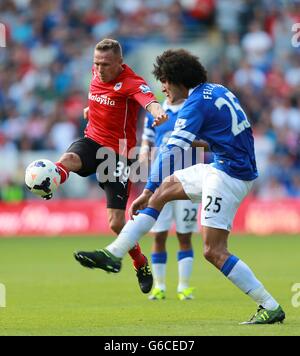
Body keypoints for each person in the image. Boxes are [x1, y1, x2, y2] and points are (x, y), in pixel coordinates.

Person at [75, 49, 285, 325]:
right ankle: (113, 254)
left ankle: (270, 306)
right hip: (225, 165)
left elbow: (171, 151)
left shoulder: (194, 104)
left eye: (164, 80)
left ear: (177, 80)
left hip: (228, 176)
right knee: (165, 191)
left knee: (213, 251)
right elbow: (230, 133)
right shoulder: (217, 90)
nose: (161, 87)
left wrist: (147, 188)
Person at [53, 39, 167, 294]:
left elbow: (148, 100)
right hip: (92, 140)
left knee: (116, 222)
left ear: (119, 63)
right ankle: (48, 183)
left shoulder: (131, 82)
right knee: (66, 161)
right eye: (96, 63)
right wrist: (90, 109)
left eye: (105, 64)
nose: (100, 68)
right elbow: (100, 98)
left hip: (118, 154)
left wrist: (157, 110)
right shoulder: (96, 74)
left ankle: (140, 263)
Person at [140, 95, 200, 301]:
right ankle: (160, 286)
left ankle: (184, 287)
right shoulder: (154, 113)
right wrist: (144, 152)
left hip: (187, 183)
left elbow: (201, 141)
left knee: (184, 236)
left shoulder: (191, 110)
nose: (166, 88)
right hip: (160, 183)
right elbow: (147, 139)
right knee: (159, 235)